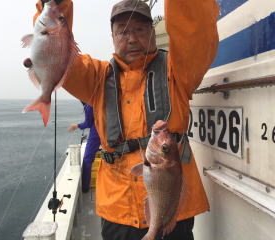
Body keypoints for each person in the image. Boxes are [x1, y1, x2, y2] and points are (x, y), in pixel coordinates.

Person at [33, 0, 219, 239]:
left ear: (152, 33)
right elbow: (57, 53)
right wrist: (54, 6)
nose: (131, 38)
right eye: (122, 31)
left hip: (173, 208)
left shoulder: (178, 71)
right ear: (112, 36)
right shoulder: (96, 77)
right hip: (117, 210)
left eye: (140, 29)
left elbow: (195, 32)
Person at [67, 102, 101, 193]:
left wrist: (77, 126)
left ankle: (85, 188)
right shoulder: (96, 100)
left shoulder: (89, 105)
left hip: (96, 132)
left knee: (87, 160)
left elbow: (88, 123)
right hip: (107, 130)